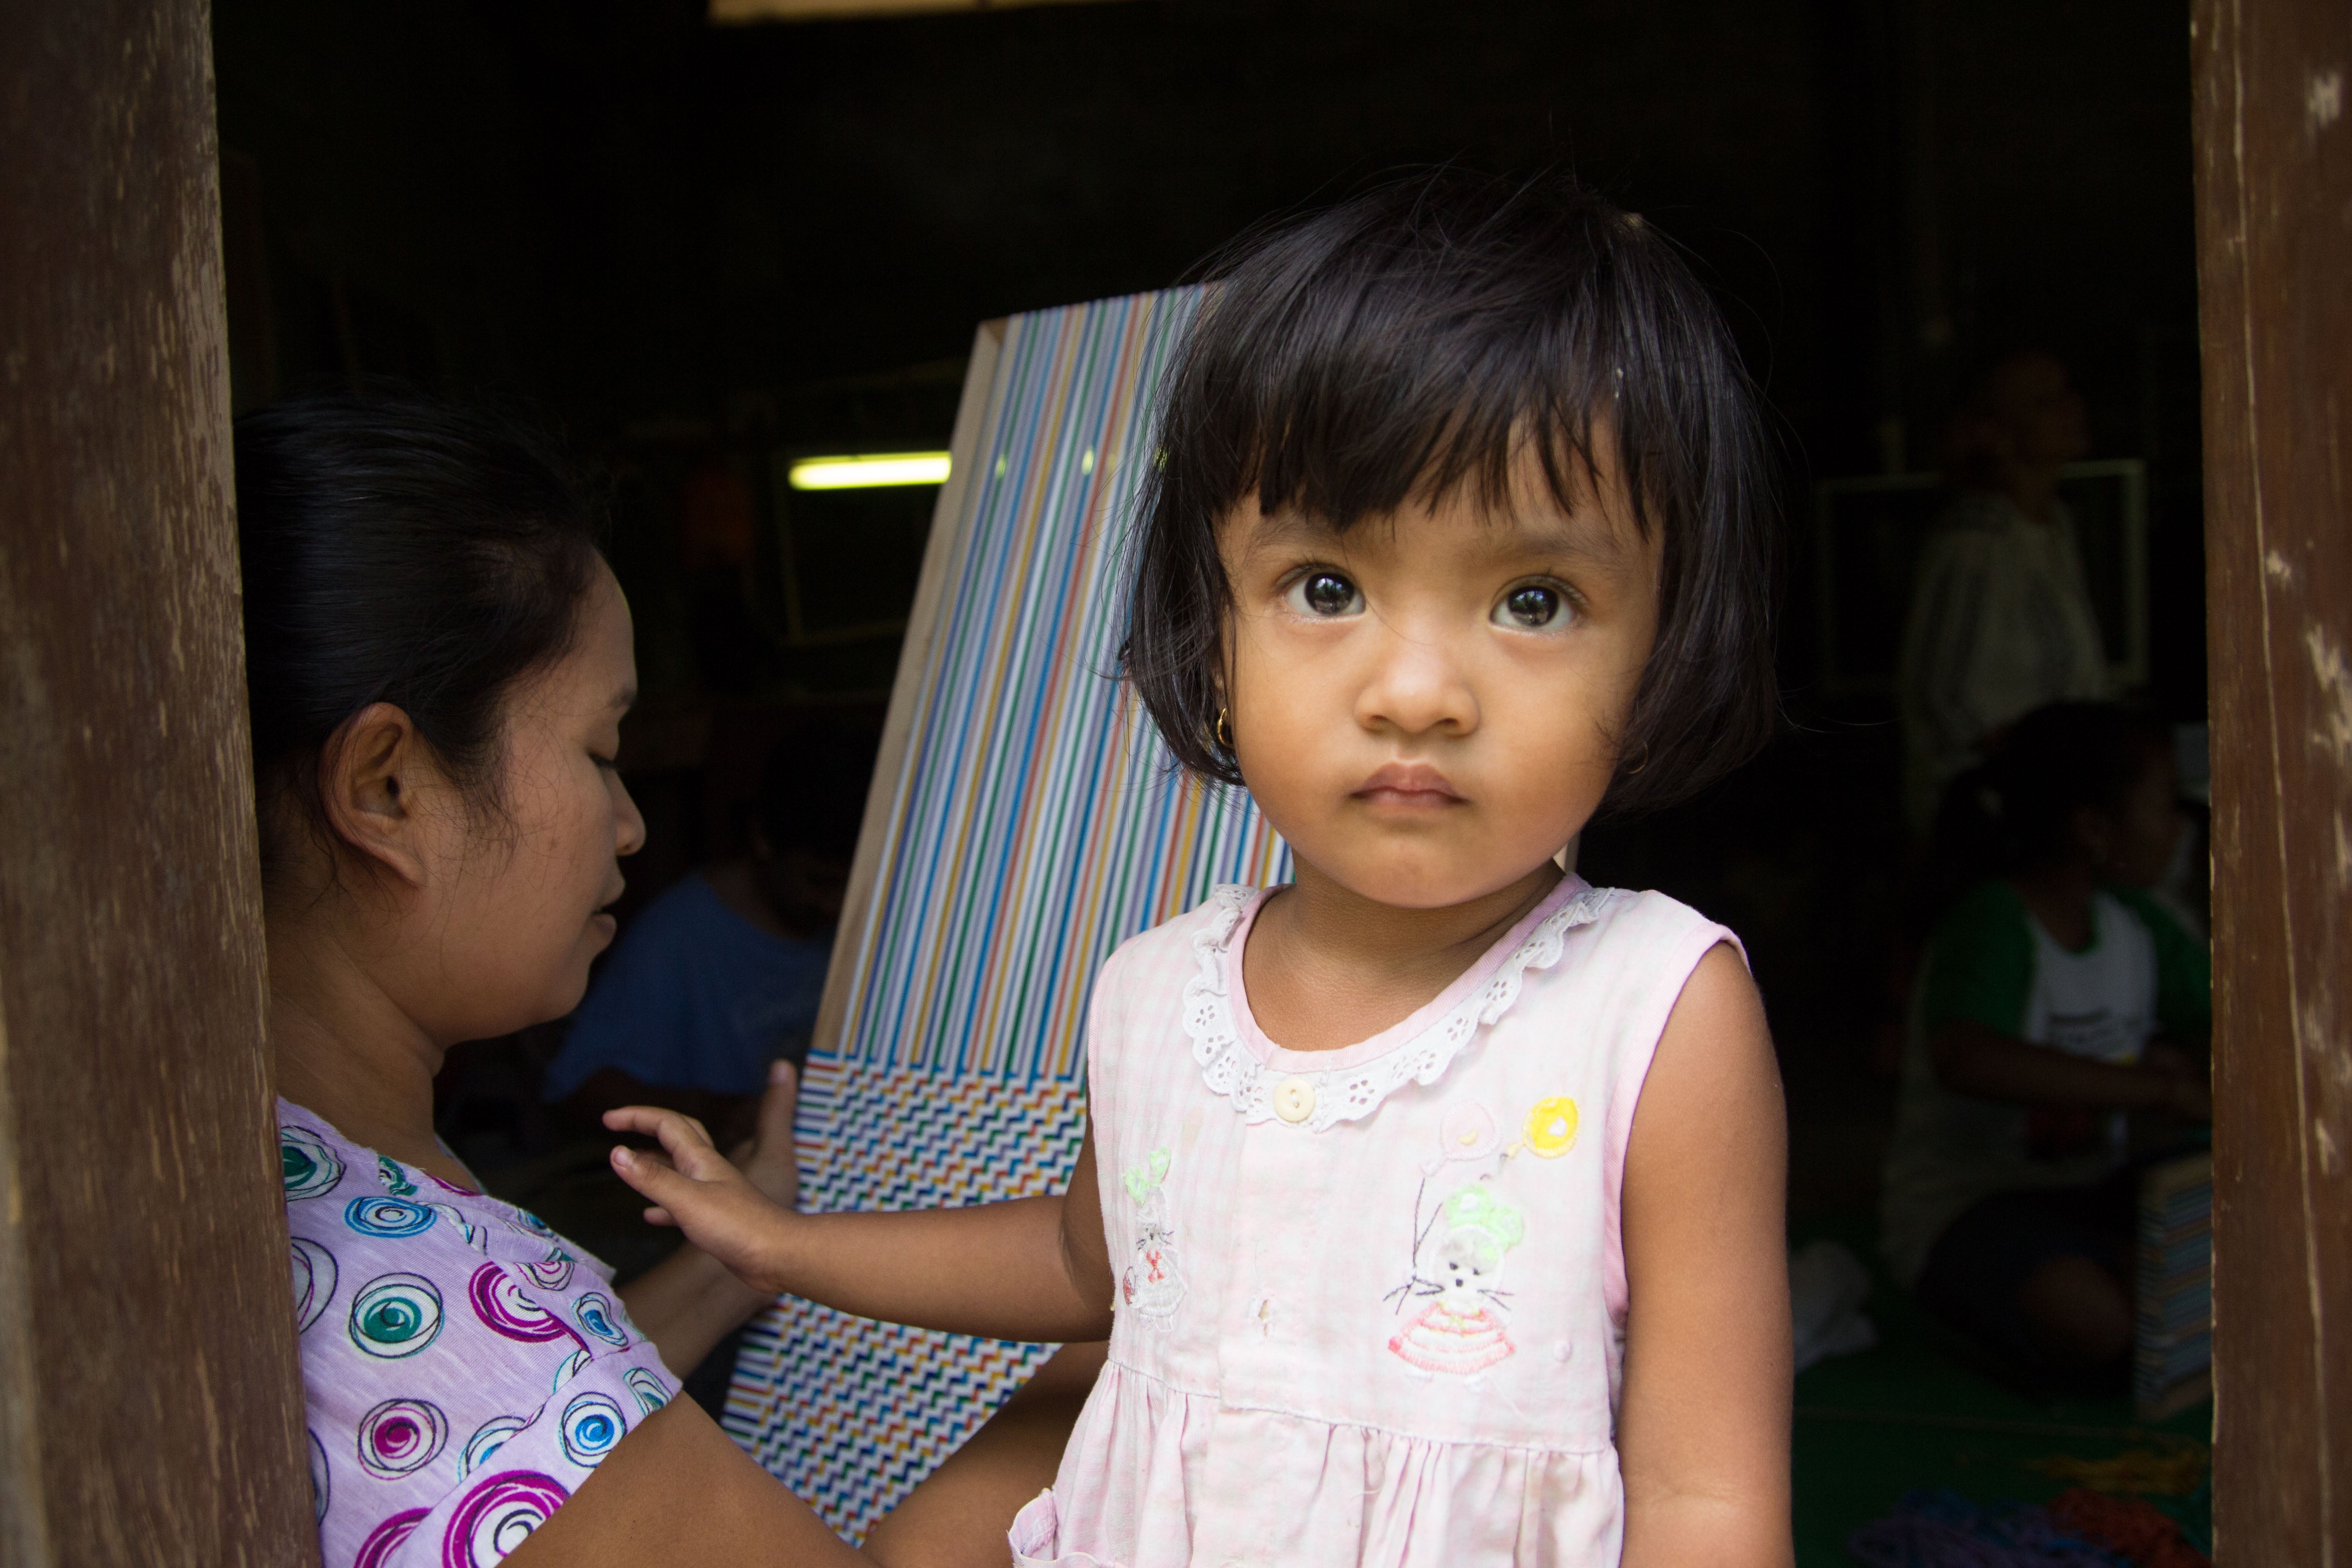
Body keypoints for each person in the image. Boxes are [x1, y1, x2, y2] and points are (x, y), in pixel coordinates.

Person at [608, 173, 1796, 1567]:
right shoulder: (1156, 991)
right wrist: (779, 1246)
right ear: (1209, 627)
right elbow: (1079, 1268)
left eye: (1534, 601)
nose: (1416, 692)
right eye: (1327, 587)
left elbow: (1710, 1502)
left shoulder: (1658, 1012)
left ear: (1662, 649)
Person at [239, 393, 1093, 1568]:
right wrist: (1130, 1333)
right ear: (387, 789)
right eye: (601, 751)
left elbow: (534, 1438)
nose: (633, 826)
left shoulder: (293, 1190)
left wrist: (746, 1249)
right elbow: (506, 1394)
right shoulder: (426, 1315)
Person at [1881, 702, 2210, 1388]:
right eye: (2160, 804)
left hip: (2095, 1189)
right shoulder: (1995, 921)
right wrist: (2163, 1088)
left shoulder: (2138, 924)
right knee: (2094, 1321)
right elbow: (1970, 1058)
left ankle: (2117, 1269)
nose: (2176, 826)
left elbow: (2233, 1023)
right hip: (1971, 1204)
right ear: (2093, 828)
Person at [540, 723, 874, 1116]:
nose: (836, 907)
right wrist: (717, 1113)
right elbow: (582, 1085)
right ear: (761, 838)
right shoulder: (674, 939)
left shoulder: (869, 921)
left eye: (855, 886)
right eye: (819, 881)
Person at [1898, 349, 2107, 832]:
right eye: (2044, 402)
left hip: (2059, 807)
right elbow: (1943, 698)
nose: (2071, 409)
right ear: (1997, 432)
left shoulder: (2055, 526)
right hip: (1996, 823)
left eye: (2068, 394)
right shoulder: (1976, 540)